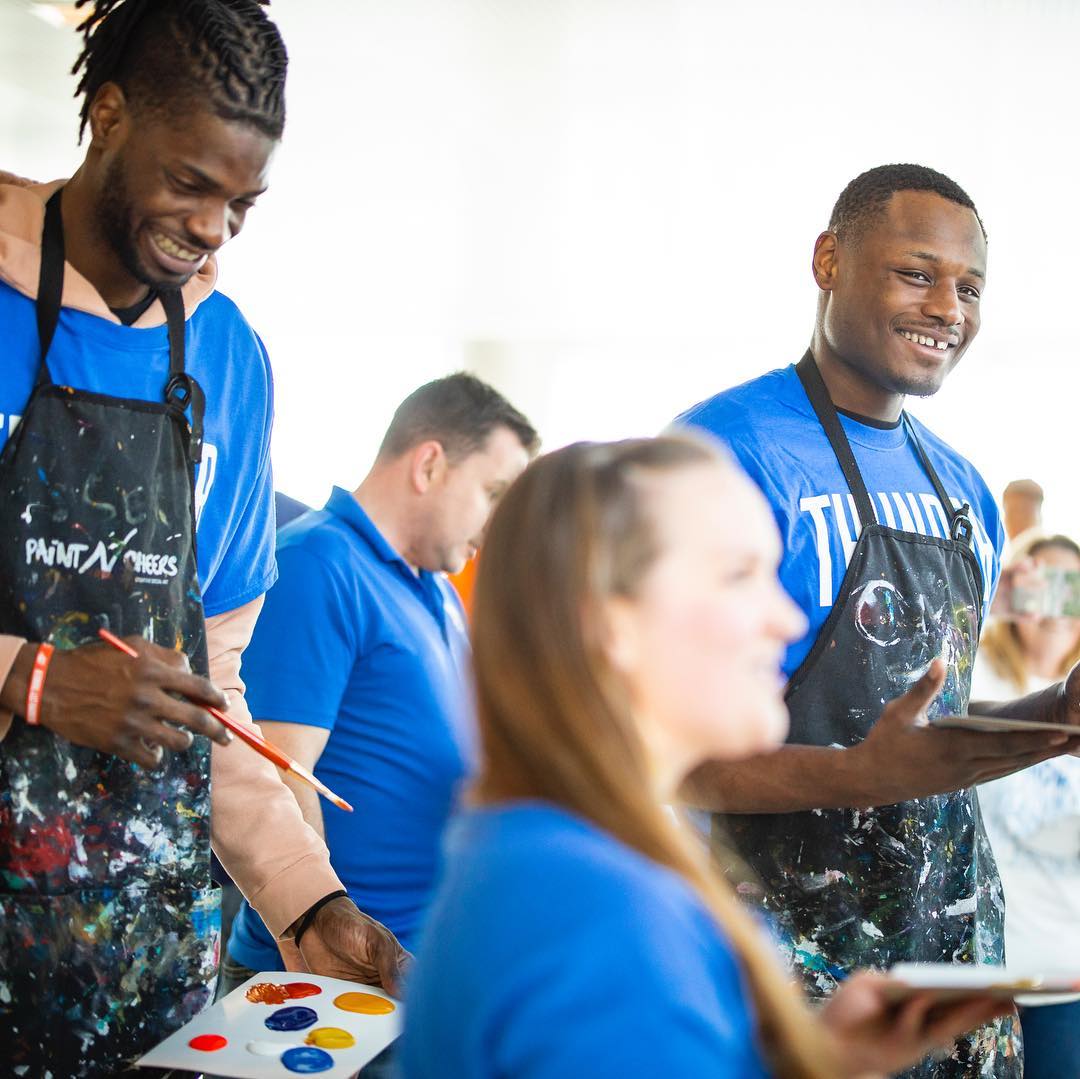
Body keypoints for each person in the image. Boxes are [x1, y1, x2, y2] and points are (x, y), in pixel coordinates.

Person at [0, 3, 405, 1074]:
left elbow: (212, 692)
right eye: (192, 183)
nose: (216, 228)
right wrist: (31, 678)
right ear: (108, 114)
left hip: (143, 963)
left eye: (244, 202)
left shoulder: (231, 363)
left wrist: (304, 896)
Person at [401, 435, 1010, 1079]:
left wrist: (821, 1061)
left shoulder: (541, 849)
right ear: (609, 623)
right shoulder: (607, 921)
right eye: (739, 576)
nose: (788, 620)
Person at [675, 163, 1080, 1077]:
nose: (949, 307)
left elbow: (936, 738)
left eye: (970, 286)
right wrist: (856, 775)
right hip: (792, 982)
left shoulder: (965, 488)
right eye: (916, 272)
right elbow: (661, 755)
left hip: (955, 960)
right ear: (828, 260)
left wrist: (1058, 715)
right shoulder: (719, 454)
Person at [224, 373, 536, 982]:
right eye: (493, 492)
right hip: (334, 973)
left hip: (420, 966)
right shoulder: (318, 562)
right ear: (429, 465)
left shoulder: (439, 592)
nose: (495, 524)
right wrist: (321, 937)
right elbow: (283, 770)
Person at [972, 533, 1080, 1079]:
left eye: (1073, 591)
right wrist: (998, 592)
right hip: (980, 970)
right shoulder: (976, 670)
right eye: (1044, 588)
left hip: (1068, 975)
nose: (1058, 607)